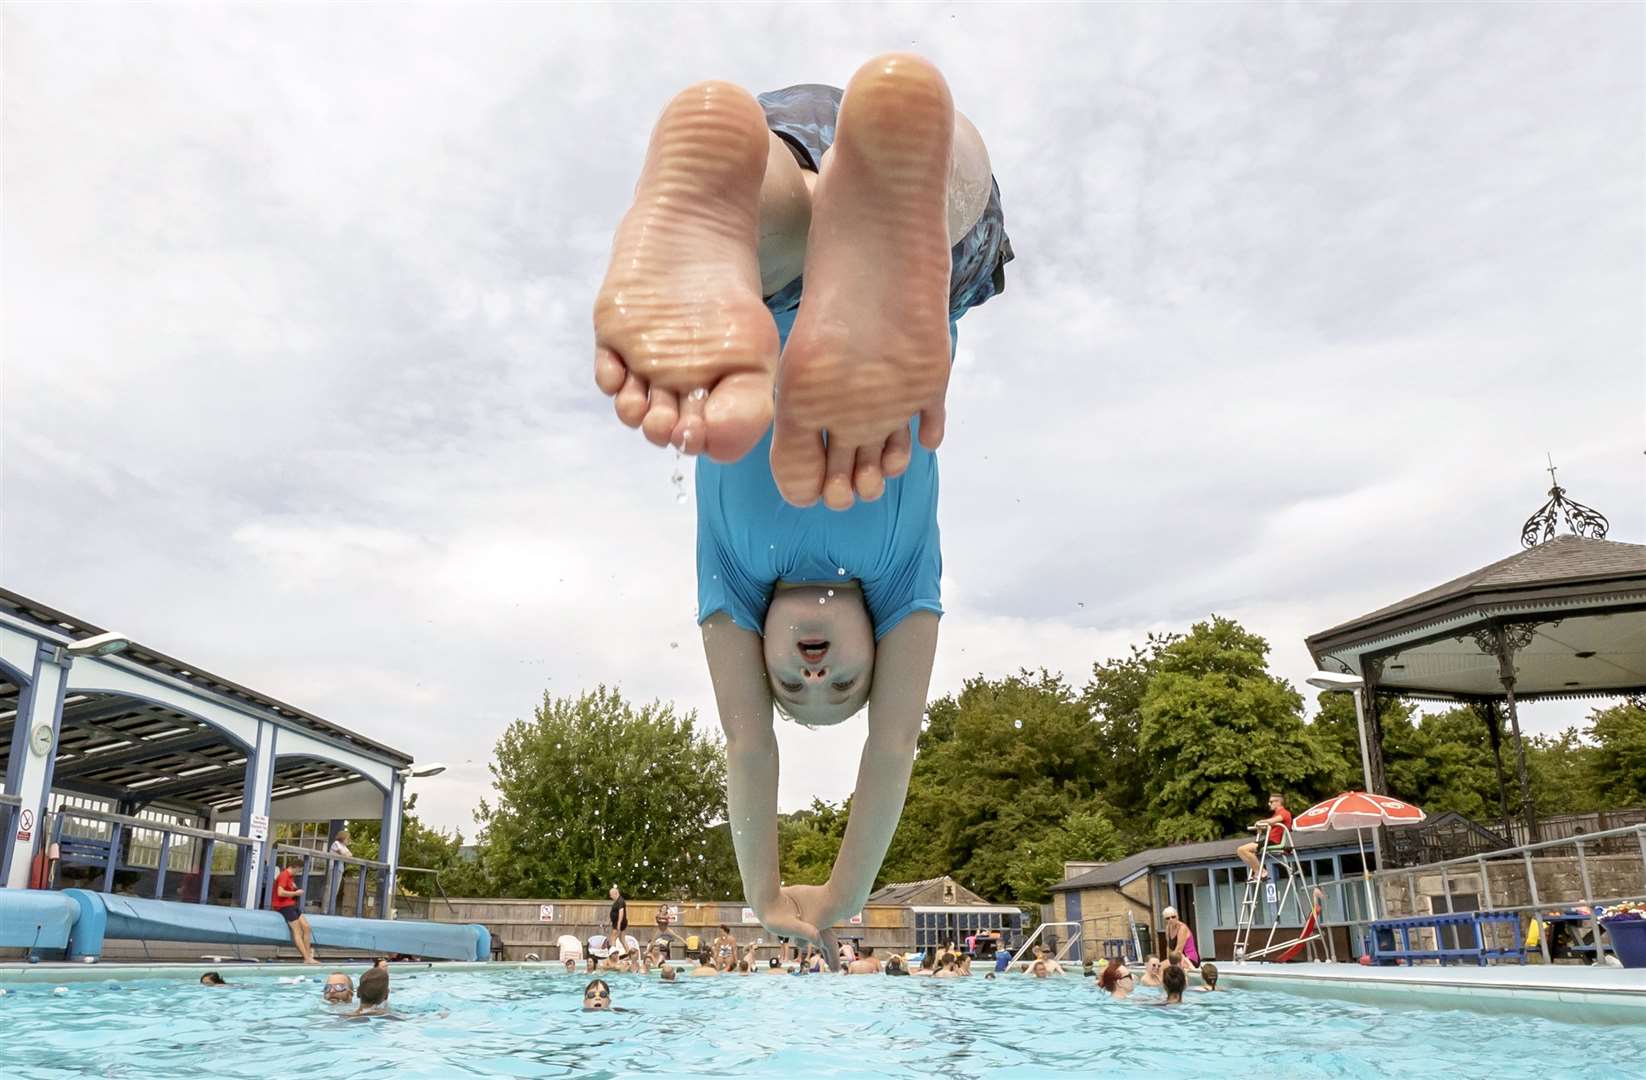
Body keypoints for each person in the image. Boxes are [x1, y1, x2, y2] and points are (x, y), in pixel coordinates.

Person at [595, 56, 1013, 952]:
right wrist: (842, 895)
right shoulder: (905, 578)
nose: (811, 672)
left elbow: (749, 751)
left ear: (761, 656)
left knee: (774, 235)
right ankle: (873, 218)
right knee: (954, 218)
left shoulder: (731, 581)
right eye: (843, 682)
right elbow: (891, 752)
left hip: (774, 206)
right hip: (918, 213)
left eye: (789, 684)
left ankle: (734, 207)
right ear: (877, 647)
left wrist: (765, 894)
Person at [1236, 793, 1293, 882]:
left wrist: (1260, 822)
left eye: (1271, 802)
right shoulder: (1276, 814)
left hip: (1274, 841)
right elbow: (1269, 823)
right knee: (1240, 850)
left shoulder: (1284, 813)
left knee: (1244, 850)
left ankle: (1261, 872)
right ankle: (1258, 872)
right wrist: (1260, 827)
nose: (1269, 804)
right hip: (1269, 840)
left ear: (1278, 802)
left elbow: (1271, 821)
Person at [270, 860, 316, 964]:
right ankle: (306, 958)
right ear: (296, 867)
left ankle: (309, 957)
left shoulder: (290, 877)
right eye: (300, 870)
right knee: (297, 931)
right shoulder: (284, 875)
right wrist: (295, 892)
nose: (299, 872)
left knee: (307, 927)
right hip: (283, 906)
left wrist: (294, 890)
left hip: (291, 905)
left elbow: (290, 888)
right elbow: (280, 893)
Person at [327, 828, 352, 914]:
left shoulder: (344, 846)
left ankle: (331, 909)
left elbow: (350, 855)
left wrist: (346, 854)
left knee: (336, 889)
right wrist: (345, 854)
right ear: (343, 838)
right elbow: (343, 854)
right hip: (334, 867)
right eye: (347, 839)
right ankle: (325, 909)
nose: (348, 841)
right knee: (330, 888)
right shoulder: (336, 843)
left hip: (340, 868)